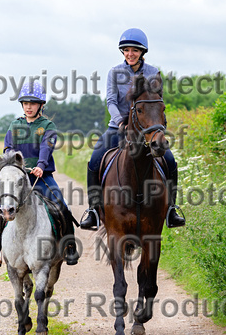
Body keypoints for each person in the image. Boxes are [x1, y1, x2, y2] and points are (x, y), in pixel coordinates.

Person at [79, 28, 185, 230]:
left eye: (134, 50)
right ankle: (93, 210)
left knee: (170, 160)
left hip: (146, 130)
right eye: (126, 50)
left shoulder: (153, 73)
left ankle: (171, 209)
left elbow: (156, 102)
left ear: (142, 52)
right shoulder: (114, 72)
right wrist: (120, 121)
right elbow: (111, 100)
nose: (130, 54)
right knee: (94, 160)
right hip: (118, 128)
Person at [0, 82, 80, 267]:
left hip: (41, 177)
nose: (28, 106)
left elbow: (47, 147)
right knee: (1, 210)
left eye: (33, 103)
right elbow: (8, 148)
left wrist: (41, 165)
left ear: (41, 105)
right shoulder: (15, 124)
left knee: (62, 206)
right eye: (25, 103)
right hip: (19, 177)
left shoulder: (47, 125)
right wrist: (14, 166)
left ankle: (70, 248)